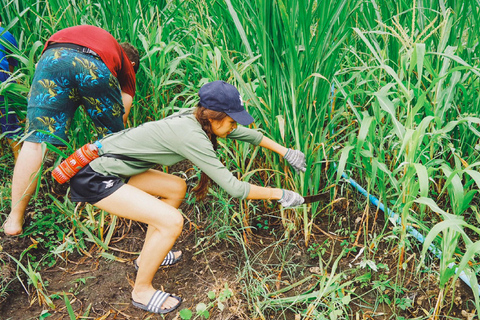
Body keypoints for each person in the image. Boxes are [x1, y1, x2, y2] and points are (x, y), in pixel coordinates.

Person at [66, 80, 306, 314]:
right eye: (231, 121)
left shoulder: (197, 118)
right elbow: (235, 188)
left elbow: (244, 134)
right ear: (213, 117)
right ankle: (141, 291)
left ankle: (147, 256)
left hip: (114, 167)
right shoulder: (192, 136)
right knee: (172, 221)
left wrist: (285, 152)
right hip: (96, 177)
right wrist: (279, 194)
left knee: (176, 187)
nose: (234, 126)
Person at [3, 25, 140, 236]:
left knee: (34, 144)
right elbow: (121, 116)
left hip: (52, 58)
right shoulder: (127, 64)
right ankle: (117, 207)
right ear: (131, 63)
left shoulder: (95, 36)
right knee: (113, 141)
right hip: (93, 64)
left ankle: (14, 220)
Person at [0, 17, 21, 161]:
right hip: (2, 79)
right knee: (9, 120)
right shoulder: (5, 33)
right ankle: (19, 159)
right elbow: (12, 66)